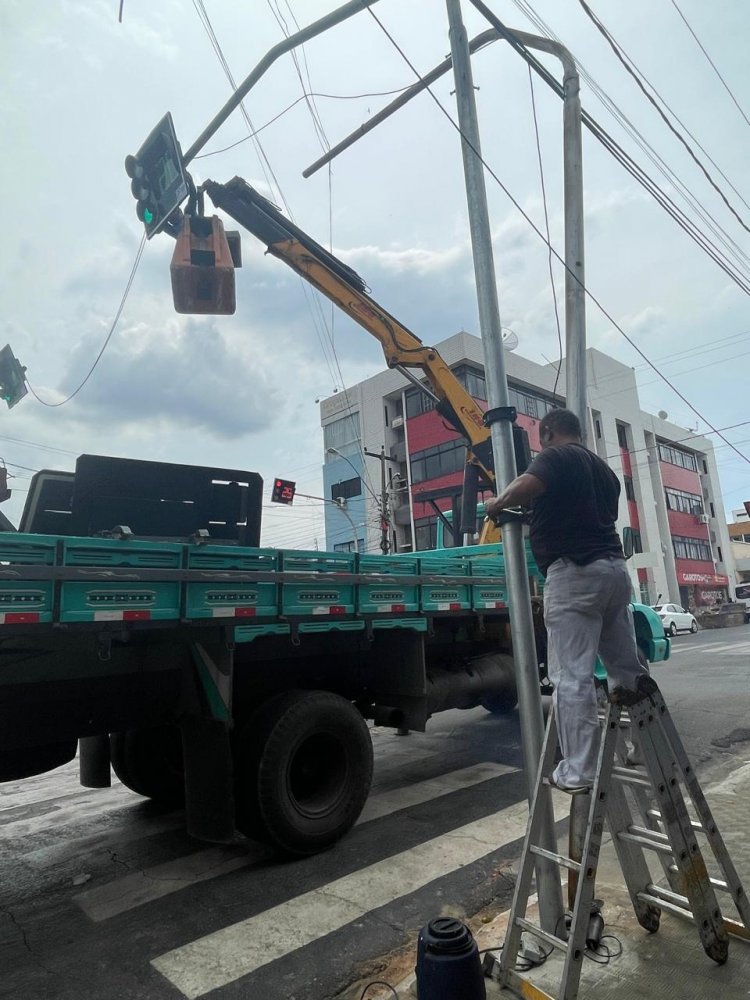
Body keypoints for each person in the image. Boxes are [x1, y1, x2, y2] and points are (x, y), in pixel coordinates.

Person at [486, 407, 653, 793]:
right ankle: (644, 746)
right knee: (626, 666)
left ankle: (579, 771)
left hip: (574, 574)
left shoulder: (556, 456)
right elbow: (576, 512)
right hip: (613, 571)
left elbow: (526, 485)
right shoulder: (605, 472)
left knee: (571, 675)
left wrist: (498, 504)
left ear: (546, 434)